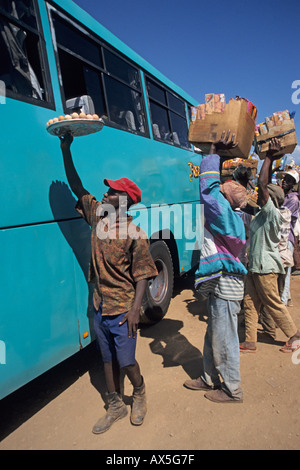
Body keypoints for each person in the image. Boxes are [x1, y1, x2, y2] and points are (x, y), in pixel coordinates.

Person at [59, 132, 157, 434]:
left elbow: (142, 274)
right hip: (100, 306)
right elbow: (77, 186)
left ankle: (138, 392)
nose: (105, 194)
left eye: (112, 191)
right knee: (106, 359)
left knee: (127, 361)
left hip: (123, 309)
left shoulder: (135, 234)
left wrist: (135, 310)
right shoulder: (98, 216)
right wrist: (66, 148)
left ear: (124, 201)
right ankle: (115, 404)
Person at [184, 130, 248, 404]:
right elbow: (215, 192)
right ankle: (209, 378)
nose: (221, 189)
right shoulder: (233, 217)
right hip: (221, 285)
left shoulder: (226, 218)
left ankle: (232, 389)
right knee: (214, 334)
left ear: (227, 201)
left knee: (225, 339)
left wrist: (213, 153)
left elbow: (208, 191)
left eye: (225, 190)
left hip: (226, 288)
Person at [240, 138, 300, 354]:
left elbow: (262, 184)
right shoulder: (260, 215)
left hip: (266, 267)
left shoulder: (272, 213)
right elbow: (256, 188)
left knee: (273, 303)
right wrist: (271, 160)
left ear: (269, 199)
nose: (258, 195)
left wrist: (267, 158)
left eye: (262, 195)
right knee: (249, 302)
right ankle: (249, 341)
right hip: (255, 266)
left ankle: (295, 336)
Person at [280, 169, 300, 305]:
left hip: (288, 237)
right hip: (283, 236)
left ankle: (284, 299)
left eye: (288, 179)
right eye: (284, 178)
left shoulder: (293, 199)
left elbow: (283, 215)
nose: (284, 181)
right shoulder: (285, 196)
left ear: (293, 183)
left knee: (286, 270)